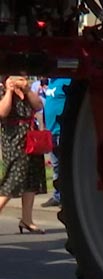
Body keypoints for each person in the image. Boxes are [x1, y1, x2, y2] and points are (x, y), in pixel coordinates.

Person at [0, 74, 48, 233]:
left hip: (31, 136)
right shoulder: (2, 89)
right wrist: (9, 90)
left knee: (32, 178)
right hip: (14, 137)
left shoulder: (28, 91)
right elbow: (3, 112)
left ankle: (26, 219)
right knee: (14, 178)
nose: (22, 78)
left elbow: (39, 105)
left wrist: (27, 90)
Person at [41, 77, 70, 207]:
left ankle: (67, 198)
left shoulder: (67, 80)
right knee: (56, 166)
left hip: (62, 130)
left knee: (65, 166)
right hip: (50, 132)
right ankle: (57, 196)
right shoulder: (51, 82)